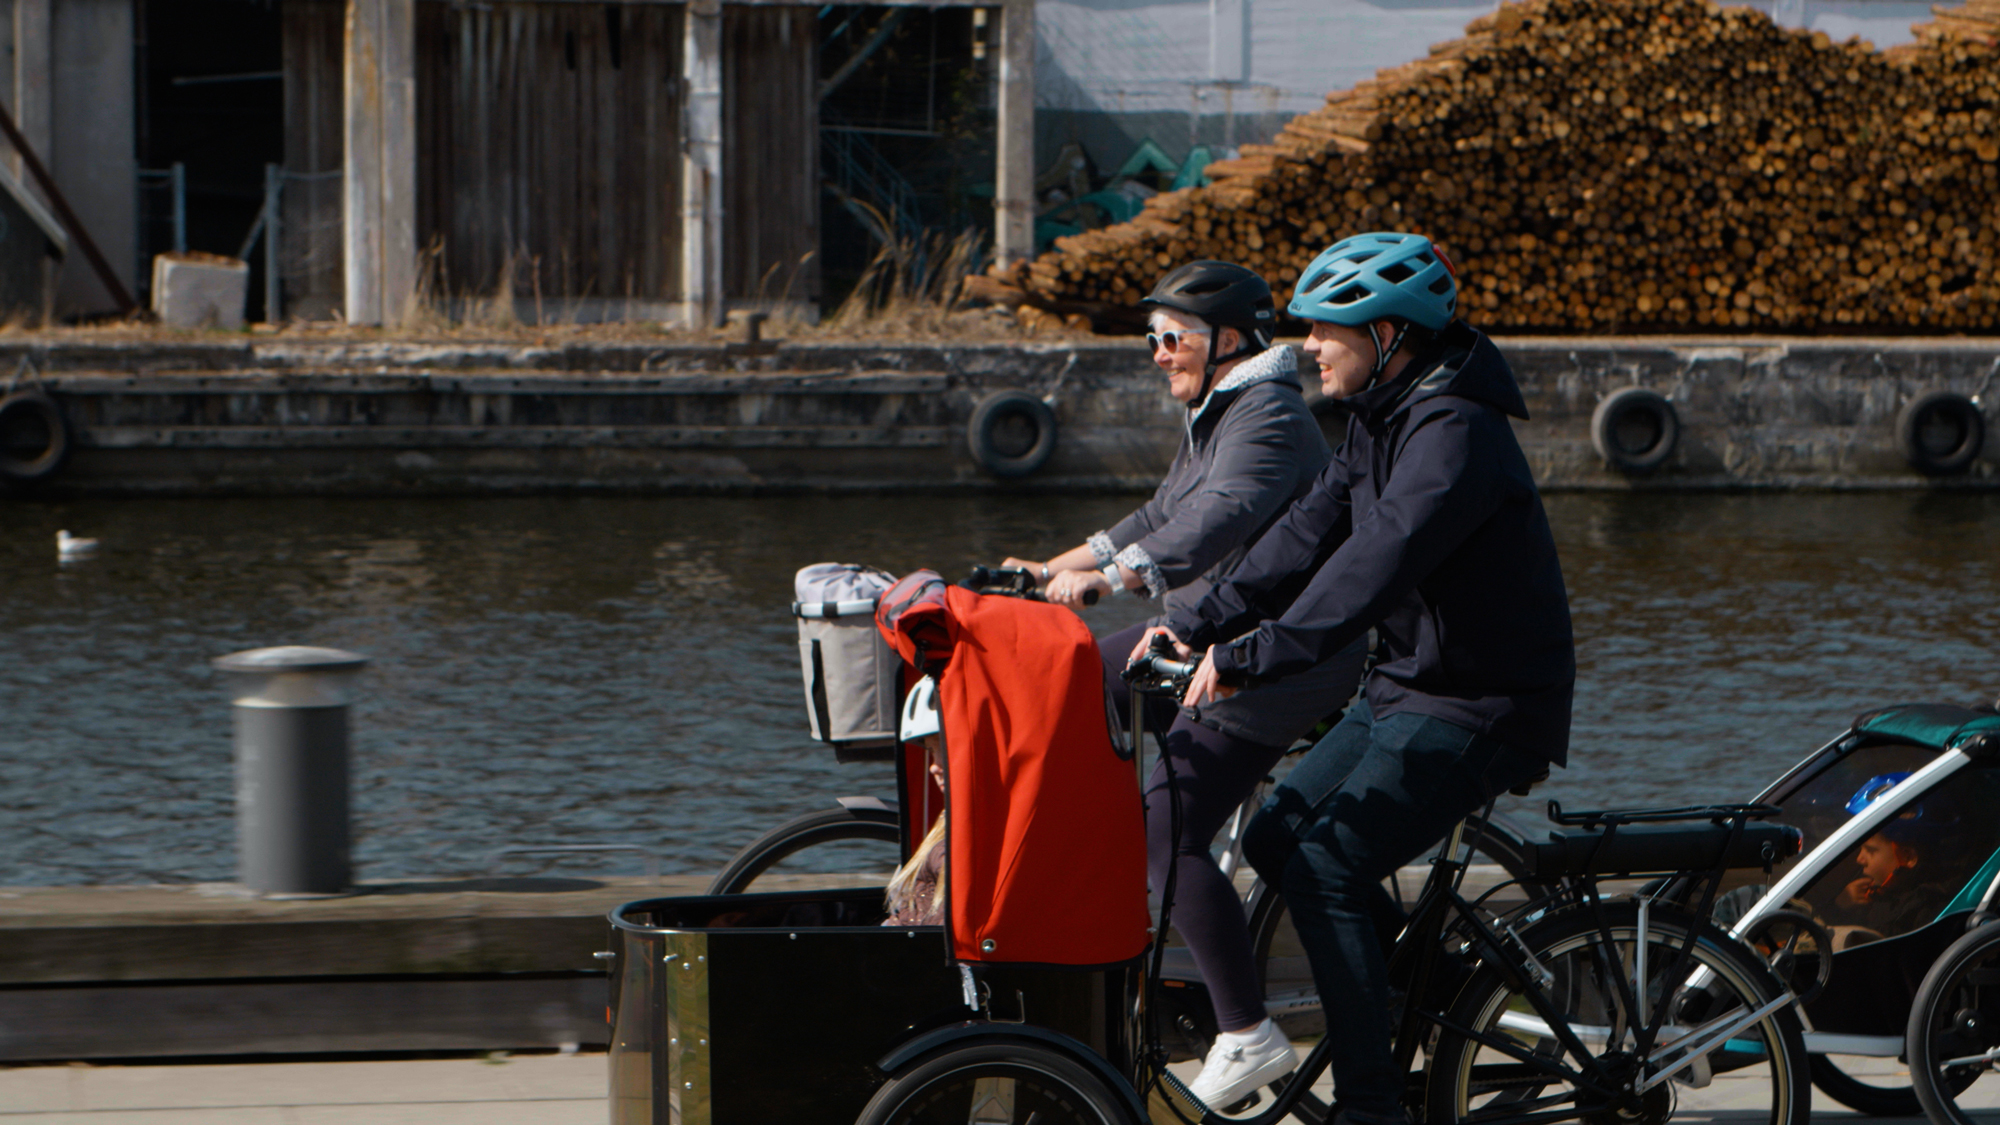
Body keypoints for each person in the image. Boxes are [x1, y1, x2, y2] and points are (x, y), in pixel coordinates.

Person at [1147, 232, 1577, 1124]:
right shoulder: (1383, 414)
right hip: (1409, 687)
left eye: (1325, 330)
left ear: (1386, 333)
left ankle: (1373, 1106)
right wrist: (1193, 621)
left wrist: (1248, 656)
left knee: (1328, 866)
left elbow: (1370, 569)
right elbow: (1306, 533)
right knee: (1273, 841)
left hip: (1487, 702)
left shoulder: (1452, 432)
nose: (1307, 346)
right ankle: (1428, 994)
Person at [1006, 260, 1367, 1108]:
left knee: (1165, 828)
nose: (1158, 355)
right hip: (1216, 630)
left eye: (1172, 339)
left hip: (1280, 656)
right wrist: (1047, 569)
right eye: (1152, 340)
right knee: (1078, 672)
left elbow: (1222, 516)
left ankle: (1246, 1029)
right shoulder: (1222, 408)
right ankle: (1098, 875)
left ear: (1228, 343)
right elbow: (1160, 514)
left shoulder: (1269, 415)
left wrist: (1115, 580)